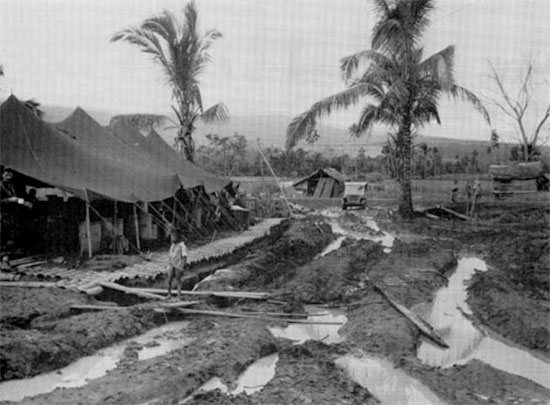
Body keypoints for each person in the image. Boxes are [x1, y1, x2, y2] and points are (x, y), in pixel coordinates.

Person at [167, 231, 188, 299]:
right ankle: (169, 294)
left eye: (173, 237)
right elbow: (170, 255)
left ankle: (179, 295)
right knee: (169, 280)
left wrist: (182, 265)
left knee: (178, 280)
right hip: (171, 264)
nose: (172, 238)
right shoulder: (172, 245)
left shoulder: (182, 246)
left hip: (178, 265)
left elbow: (184, 256)